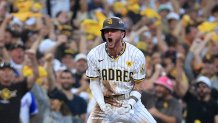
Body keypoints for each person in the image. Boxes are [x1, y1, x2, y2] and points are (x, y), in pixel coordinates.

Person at [86, 17, 156, 123]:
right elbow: (94, 82)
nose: (109, 34)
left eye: (113, 31)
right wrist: (102, 104)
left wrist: (130, 104)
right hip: (106, 101)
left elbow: (139, 85)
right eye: (106, 31)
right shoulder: (94, 54)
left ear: (122, 34)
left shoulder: (136, 54)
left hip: (130, 102)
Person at [0, 50, 39, 123]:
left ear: (13, 74)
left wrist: (33, 59)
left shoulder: (19, 87)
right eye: (3, 70)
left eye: (9, 70)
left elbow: (35, 75)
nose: (6, 73)